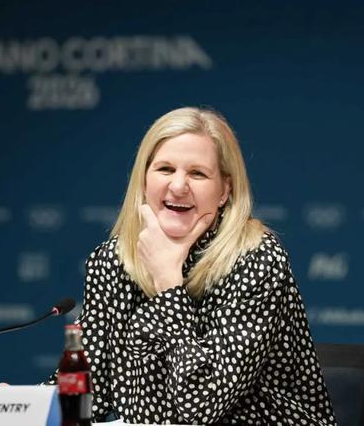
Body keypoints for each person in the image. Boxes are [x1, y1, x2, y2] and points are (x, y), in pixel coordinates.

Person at [45, 107, 337, 425]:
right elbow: (89, 392)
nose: (178, 186)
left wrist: (168, 282)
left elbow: (201, 407)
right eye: (165, 169)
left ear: (224, 190)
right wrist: (24, 404)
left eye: (197, 174)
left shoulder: (257, 260)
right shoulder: (113, 261)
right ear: (143, 181)